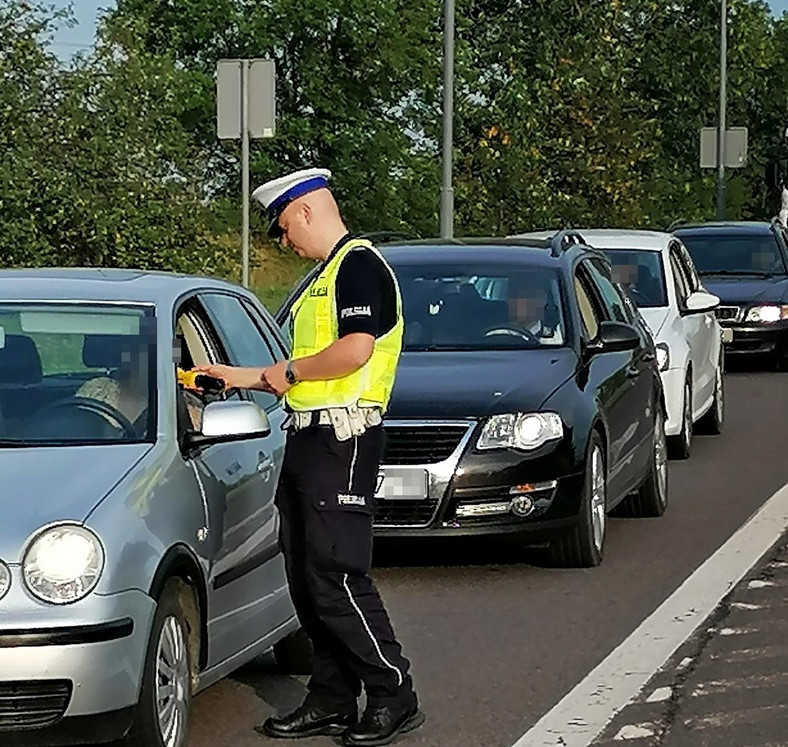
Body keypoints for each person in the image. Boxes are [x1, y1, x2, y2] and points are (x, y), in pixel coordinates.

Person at [194, 168, 423, 746]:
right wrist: (234, 377)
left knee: (336, 574)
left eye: (282, 230)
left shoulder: (359, 267)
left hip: (343, 440)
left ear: (304, 212)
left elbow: (353, 351)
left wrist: (289, 371)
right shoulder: (324, 276)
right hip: (308, 436)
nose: (283, 243)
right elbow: (292, 375)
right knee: (306, 575)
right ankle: (331, 699)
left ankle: (393, 692)